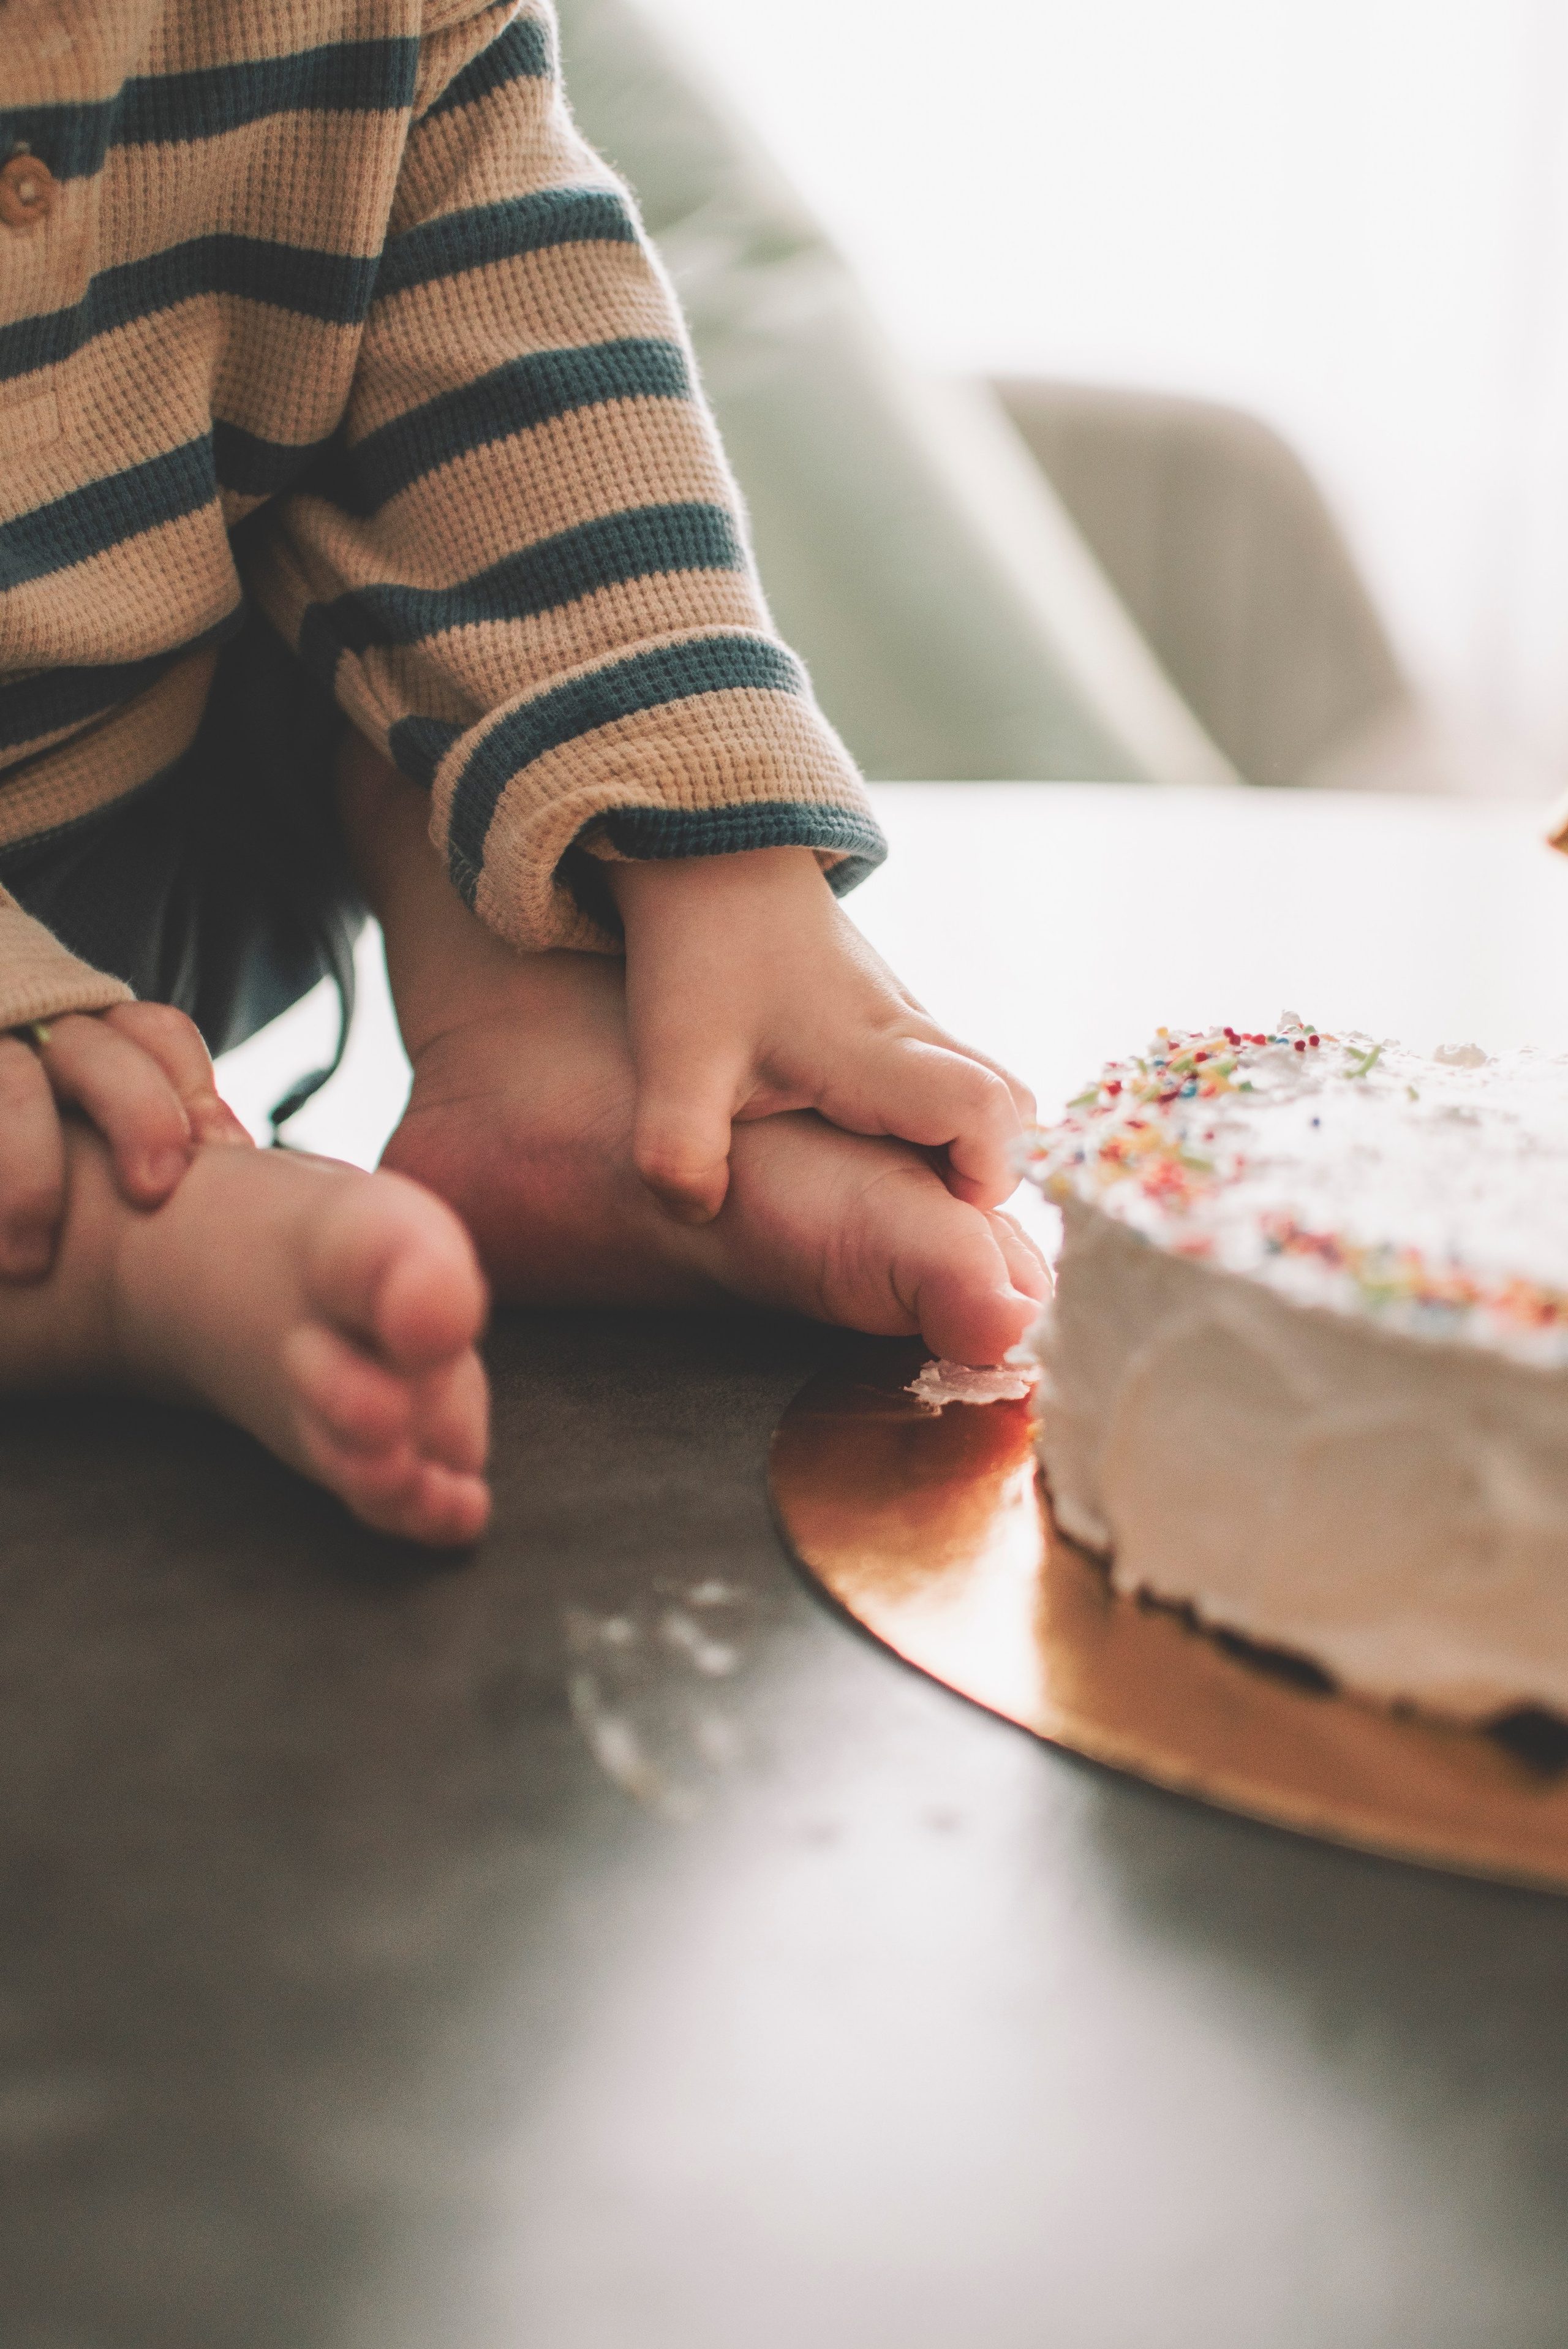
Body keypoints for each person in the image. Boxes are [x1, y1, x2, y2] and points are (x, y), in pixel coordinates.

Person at [0, 0, 1047, 1546]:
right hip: (48, 1103)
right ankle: (115, 1255)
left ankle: (528, 1053)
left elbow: (493, 325)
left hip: (165, 822)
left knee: (442, 588)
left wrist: (713, 853)